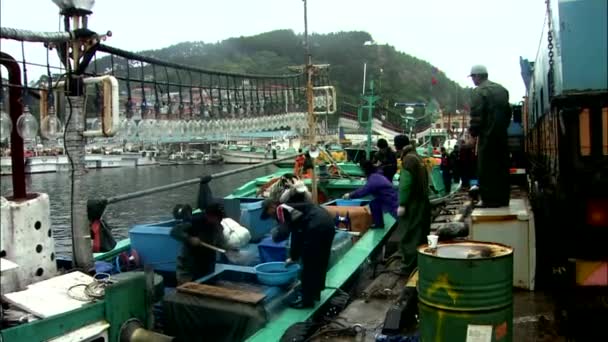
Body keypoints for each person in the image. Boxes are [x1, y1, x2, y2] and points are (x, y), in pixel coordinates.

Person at [260, 193, 335, 309]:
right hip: (328, 223)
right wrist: (294, 257)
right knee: (320, 260)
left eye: (268, 214)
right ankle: (315, 293)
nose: (271, 217)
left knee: (308, 263)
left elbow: (286, 233)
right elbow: (298, 234)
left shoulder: (281, 209)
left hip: (316, 226)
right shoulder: (295, 207)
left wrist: (276, 236)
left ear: (272, 207)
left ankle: (306, 301)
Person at [468, 65, 512, 207]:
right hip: (501, 136)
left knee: (486, 168)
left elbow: (477, 114)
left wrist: (473, 133)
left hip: (487, 136)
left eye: (473, 77)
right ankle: (503, 199)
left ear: (477, 76)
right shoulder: (502, 90)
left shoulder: (479, 91)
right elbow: (508, 113)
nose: (473, 80)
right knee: (502, 167)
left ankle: (488, 200)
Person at [394, 134, 431, 276]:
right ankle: (419, 263)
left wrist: (402, 204)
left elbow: (405, 184)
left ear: (398, 146)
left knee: (410, 233)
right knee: (421, 233)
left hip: (413, 203)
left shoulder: (408, 160)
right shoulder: (417, 156)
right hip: (423, 201)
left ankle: (407, 267)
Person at [170, 202, 227, 285]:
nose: (220, 220)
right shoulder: (193, 222)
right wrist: (190, 239)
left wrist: (228, 250)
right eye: (217, 217)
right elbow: (174, 232)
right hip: (189, 268)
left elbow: (221, 243)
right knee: (187, 292)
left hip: (207, 267)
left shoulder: (217, 226)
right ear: (209, 216)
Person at [342, 160, 398, 228]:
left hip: (390, 202)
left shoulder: (373, 179)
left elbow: (364, 191)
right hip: (388, 198)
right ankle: (379, 224)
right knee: (374, 203)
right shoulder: (377, 175)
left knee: (398, 217)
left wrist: (349, 195)